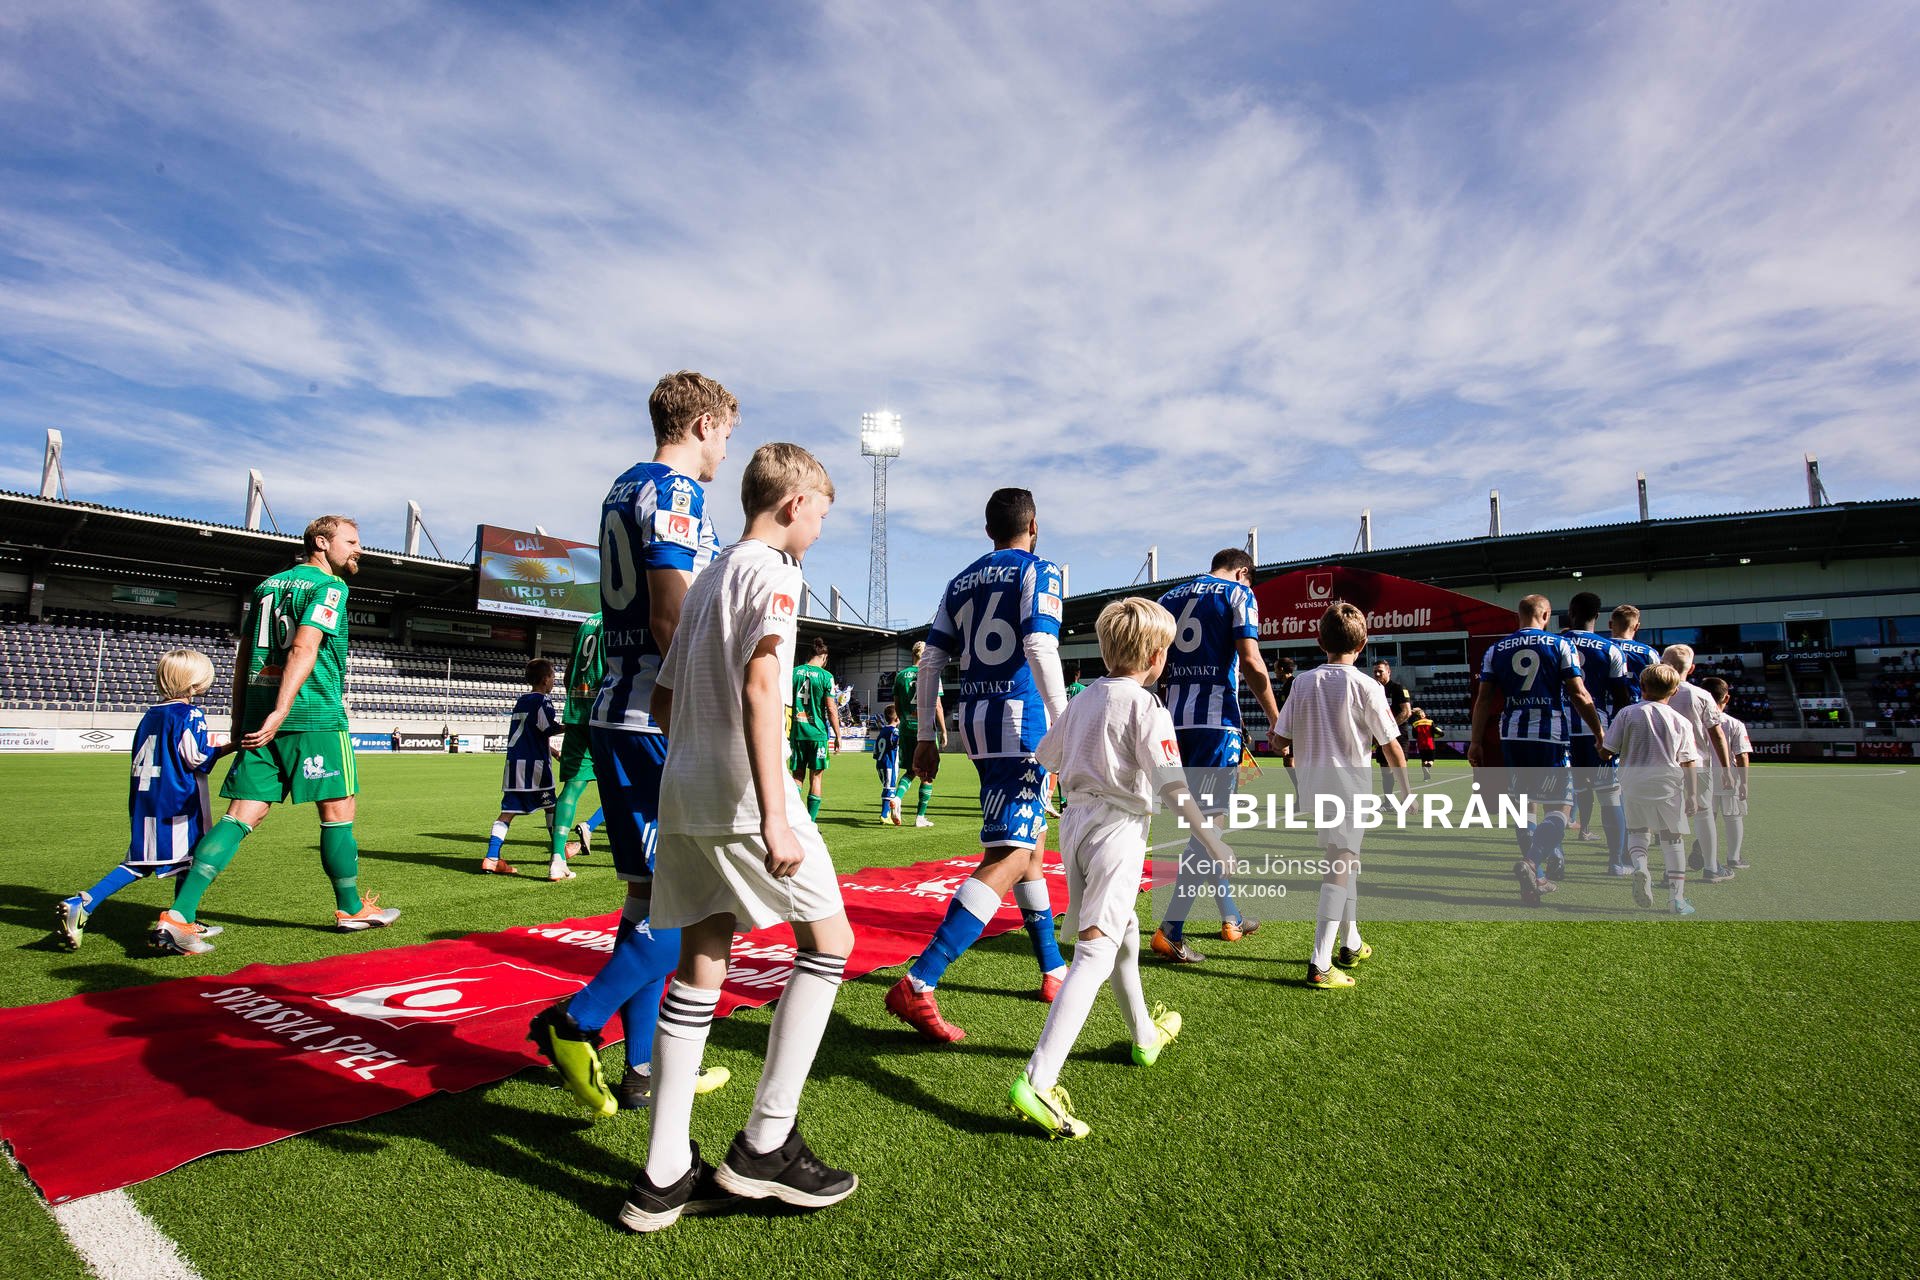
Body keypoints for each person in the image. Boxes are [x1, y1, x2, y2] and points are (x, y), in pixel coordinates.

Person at [619, 443, 857, 1232]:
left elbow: (661, 698)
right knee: (830, 943)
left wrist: (697, 759)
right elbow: (762, 687)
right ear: (794, 504)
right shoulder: (777, 573)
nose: (821, 528)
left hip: (683, 792)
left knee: (701, 963)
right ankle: (764, 1143)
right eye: (822, 512)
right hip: (747, 798)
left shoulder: (712, 571)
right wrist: (774, 813)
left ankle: (661, 1177)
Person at [527, 371, 735, 1117]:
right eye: (726, 436)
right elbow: (671, 615)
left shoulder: (624, 487)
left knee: (650, 896)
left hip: (619, 710)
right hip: (657, 716)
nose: (725, 454)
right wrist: (700, 717)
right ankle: (575, 1020)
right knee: (692, 907)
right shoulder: (677, 493)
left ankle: (644, 1071)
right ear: (705, 424)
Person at [1010, 598, 1223, 1139]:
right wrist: (1211, 839)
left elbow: (1047, 755)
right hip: (1117, 831)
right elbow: (1173, 785)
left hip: (1076, 827)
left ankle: (1143, 1036)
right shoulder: (1148, 708)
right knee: (1096, 951)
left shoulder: (1081, 701)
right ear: (1155, 655)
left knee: (1124, 931)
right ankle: (1038, 1079)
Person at [152, 516, 399, 956]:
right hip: (313, 716)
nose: (360, 550)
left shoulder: (267, 586)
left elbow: (245, 654)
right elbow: (304, 646)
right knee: (338, 809)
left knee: (241, 814)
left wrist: (239, 719)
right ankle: (350, 908)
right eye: (352, 542)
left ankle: (179, 915)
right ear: (321, 543)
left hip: (256, 716)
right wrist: (284, 709)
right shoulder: (331, 587)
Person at [886, 487, 1071, 1043]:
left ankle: (1051, 968)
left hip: (977, 721)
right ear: (1033, 524)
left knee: (1028, 847)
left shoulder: (960, 581)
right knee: (1013, 853)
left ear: (988, 529)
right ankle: (921, 981)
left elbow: (933, 660)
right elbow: (1040, 647)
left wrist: (924, 733)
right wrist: (1067, 727)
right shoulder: (1041, 571)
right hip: (1024, 724)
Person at [1149, 549, 1282, 961]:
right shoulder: (1239, 594)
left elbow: (1155, 666)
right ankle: (1171, 929)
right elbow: (1252, 662)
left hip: (1172, 724)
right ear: (1244, 572)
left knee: (1203, 827)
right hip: (1214, 724)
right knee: (1211, 829)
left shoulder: (1168, 598)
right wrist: (1278, 721)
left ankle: (1232, 918)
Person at [54, 649, 233, 950]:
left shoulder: (152, 714)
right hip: (177, 802)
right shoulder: (189, 714)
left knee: (163, 859)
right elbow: (197, 759)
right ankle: (85, 902)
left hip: (146, 798)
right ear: (194, 684)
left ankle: (185, 918)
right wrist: (233, 746)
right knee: (165, 860)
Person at [1276, 603, 1408, 988]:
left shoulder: (1301, 682)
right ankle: (1319, 962)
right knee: (1341, 862)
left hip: (1315, 786)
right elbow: (1391, 746)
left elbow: (1280, 739)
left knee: (1346, 859)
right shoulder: (1367, 685)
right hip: (1349, 785)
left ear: (1319, 641)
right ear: (1363, 643)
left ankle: (1350, 942)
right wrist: (1407, 791)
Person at [1467, 594, 1605, 906]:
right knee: (1561, 807)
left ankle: (1536, 880)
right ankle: (1531, 863)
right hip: (1550, 737)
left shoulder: (1495, 650)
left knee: (1525, 806)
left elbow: (1484, 699)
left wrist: (1475, 741)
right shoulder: (1559, 645)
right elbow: (1579, 693)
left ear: (1519, 615)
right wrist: (1599, 732)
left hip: (1512, 735)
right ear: (1545, 615)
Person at [1603, 663, 1701, 915]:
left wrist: (1599, 741)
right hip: (1668, 783)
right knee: (1673, 839)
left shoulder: (1627, 714)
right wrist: (1691, 794)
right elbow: (1688, 760)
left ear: (1642, 687)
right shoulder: (1681, 721)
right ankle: (1676, 899)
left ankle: (1640, 867)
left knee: (1637, 831)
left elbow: (1608, 750)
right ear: (1675, 690)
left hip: (1633, 782)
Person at [1560, 592, 1634, 873]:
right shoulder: (1611, 649)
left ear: (1570, 612)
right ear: (1598, 617)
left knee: (1557, 799)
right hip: (1598, 733)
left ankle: (1556, 857)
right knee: (1610, 796)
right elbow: (1622, 698)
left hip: (1560, 733)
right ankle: (1616, 862)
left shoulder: (1555, 643)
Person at [482, 659, 568, 879]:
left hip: (514, 764)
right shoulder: (543, 701)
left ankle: (491, 857)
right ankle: (559, 850)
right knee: (552, 807)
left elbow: (531, 734)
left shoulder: (521, 700)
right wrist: (573, 726)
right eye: (553, 678)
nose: (554, 682)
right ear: (545, 679)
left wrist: (554, 752)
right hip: (535, 766)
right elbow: (547, 728)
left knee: (507, 812)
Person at [1661, 644, 1733, 883]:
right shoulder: (1701, 695)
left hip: (1665, 766)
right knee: (1704, 816)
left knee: (1671, 819)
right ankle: (1711, 868)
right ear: (1691, 668)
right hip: (1697, 764)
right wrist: (1726, 768)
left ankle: (1670, 872)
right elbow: (1717, 735)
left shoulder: (1654, 694)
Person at [550, 611, 605, 864]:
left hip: (576, 712)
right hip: (605, 716)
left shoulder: (587, 622)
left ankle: (557, 859)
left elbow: (568, 672)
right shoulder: (619, 619)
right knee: (623, 786)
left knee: (571, 789)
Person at [890, 641, 945, 827]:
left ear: (913, 654)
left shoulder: (900, 676)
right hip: (926, 730)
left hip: (906, 728)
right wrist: (943, 730)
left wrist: (903, 721)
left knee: (911, 770)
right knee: (928, 774)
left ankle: (897, 798)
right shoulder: (931, 673)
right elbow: (937, 705)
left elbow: (896, 705)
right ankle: (920, 817)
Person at [789, 638, 843, 822]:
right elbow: (831, 709)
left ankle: (794, 820)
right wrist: (838, 735)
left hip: (797, 732)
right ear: (824, 657)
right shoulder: (826, 676)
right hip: (817, 733)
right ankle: (810, 823)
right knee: (816, 778)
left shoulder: (793, 673)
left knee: (797, 777)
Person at [1708, 679, 1753, 870]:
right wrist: (1744, 782)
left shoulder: (1694, 722)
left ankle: (1706, 855)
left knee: (1707, 819)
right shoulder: (1734, 723)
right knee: (1733, 818)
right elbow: (1741, 755)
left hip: (1703, 776)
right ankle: (1733, 858)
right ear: (1726, 697)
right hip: (1729, 777)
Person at [1370, 659, 1412, 798]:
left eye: (1380, 671)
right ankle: (1388, 803)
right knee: (1385, 771)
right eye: (1375, 671)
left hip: (1397, 734)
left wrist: (1388, 727)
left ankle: (1406, 800)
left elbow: (1406, 712)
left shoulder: (1398, 688)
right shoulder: (1373, 690)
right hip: (1380, 736)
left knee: (1399, 769)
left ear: (1388, 672)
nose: (1377, 674)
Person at [874, 706, 903, 824]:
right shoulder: (894, 732)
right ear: (897, 718)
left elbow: (876, 751)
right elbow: (897, 741)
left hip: (880, 763)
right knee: (889, 788)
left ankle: (889, 814)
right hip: (889, 765)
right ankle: (884, 815)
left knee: (889, 787)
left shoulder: (882, 731)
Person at [1409, 707, 1437, 780]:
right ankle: (1428, 766)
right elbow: (1435, 731)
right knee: (1431, 760)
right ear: (1423, 715)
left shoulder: (1415, 724)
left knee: (1423, 760)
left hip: (1421, 744)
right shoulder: (1430, 722)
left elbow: (1414, 736)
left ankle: (1425, 776)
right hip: (1430, 743)